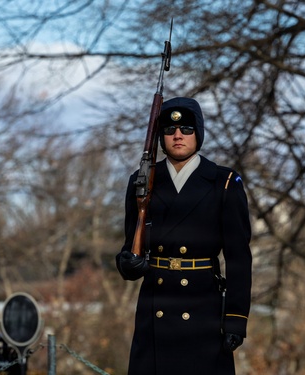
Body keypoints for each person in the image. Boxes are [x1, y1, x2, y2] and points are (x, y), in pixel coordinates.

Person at [115, 97, 252, 375]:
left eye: (187, 129)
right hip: (156, 305)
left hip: (204, 308)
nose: (178, 135)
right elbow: (131, 247)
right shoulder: (142, 182)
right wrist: (127, 263)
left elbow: (238, 258)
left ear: (198, 134)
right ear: (161, 137)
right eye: (169, 129)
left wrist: (236, 320)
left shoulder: (224, 182)